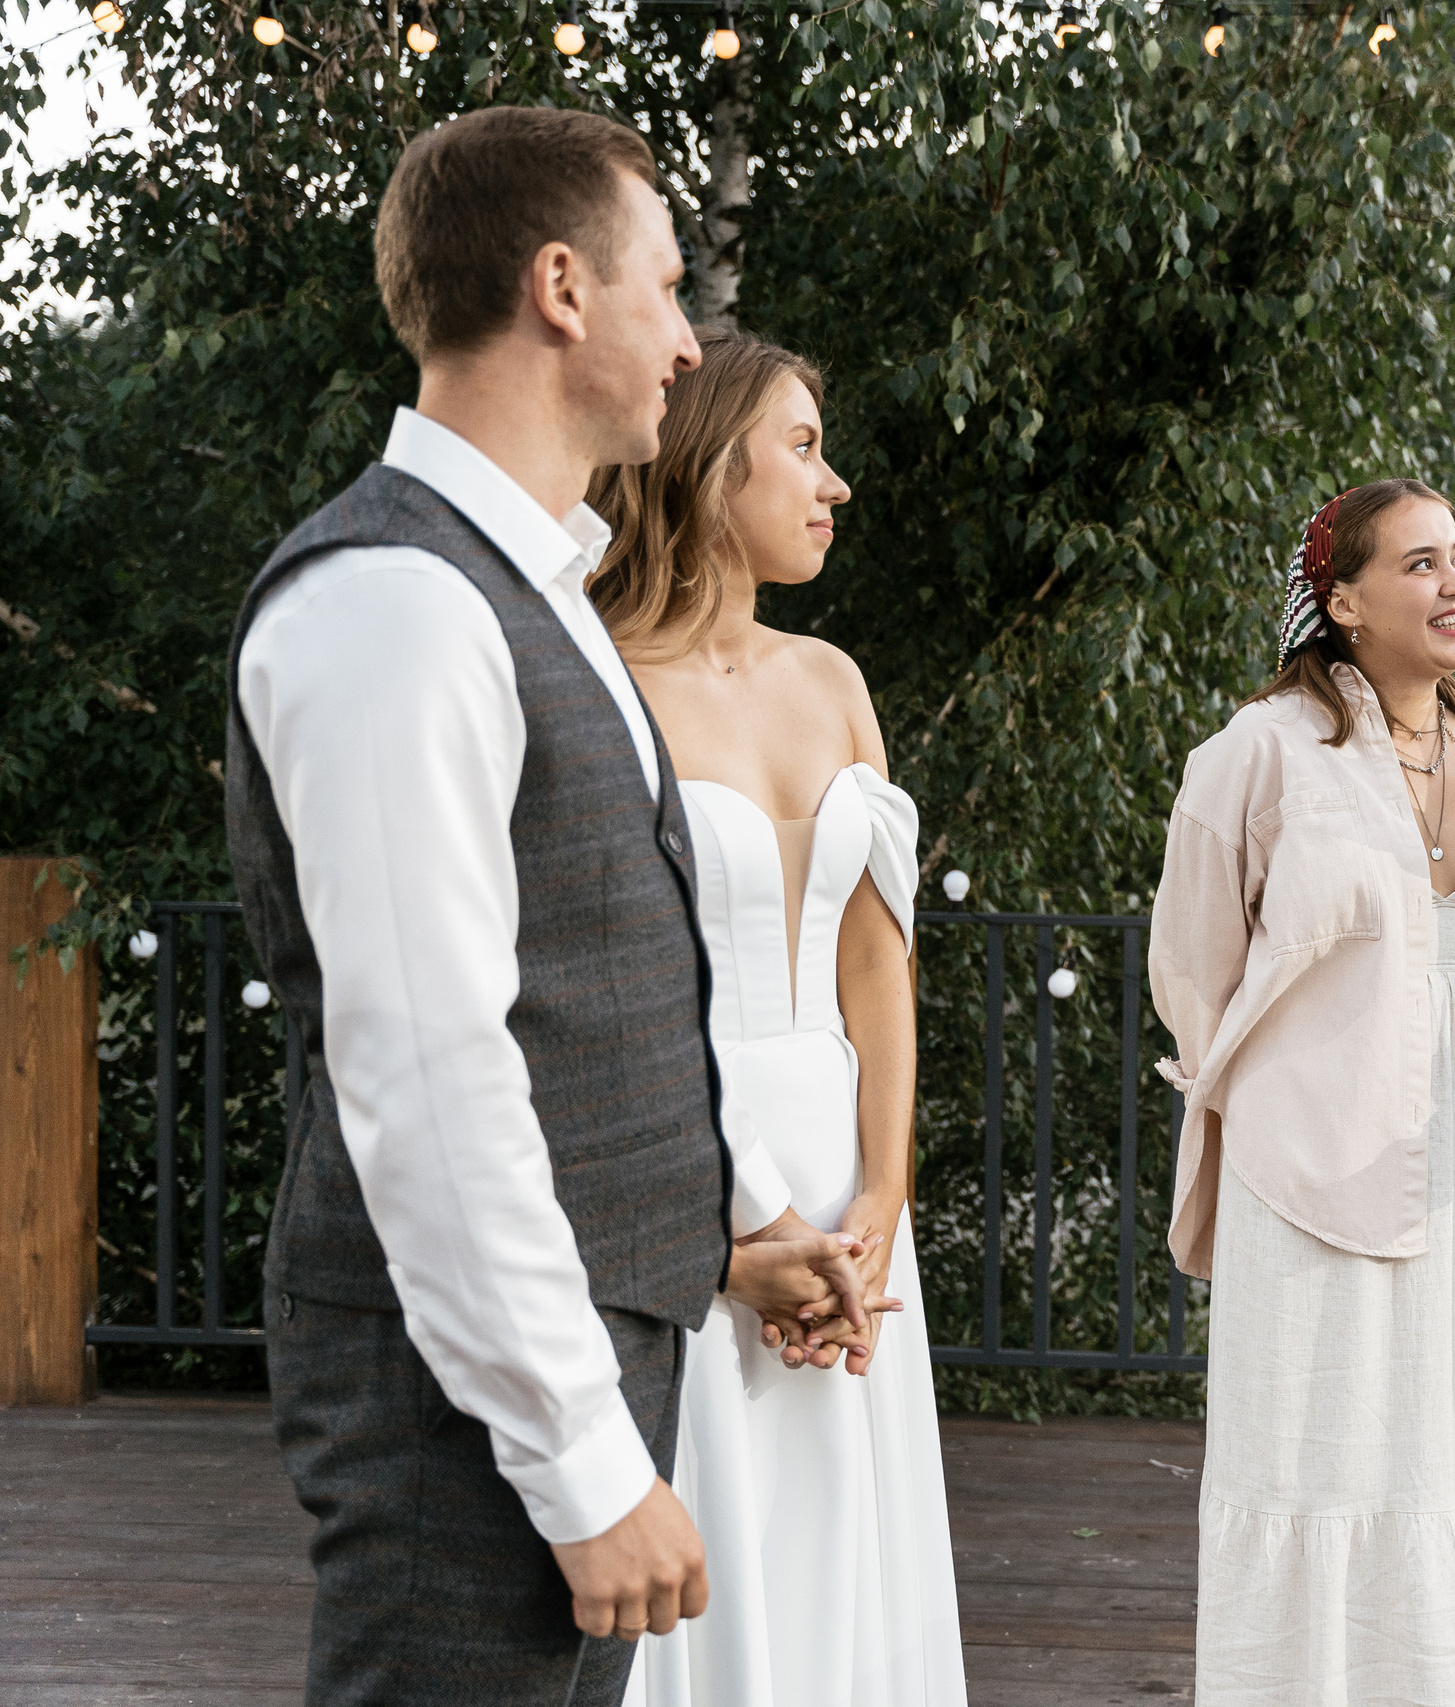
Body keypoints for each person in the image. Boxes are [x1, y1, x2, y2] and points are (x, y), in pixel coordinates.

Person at [227, 108, 868, 1705]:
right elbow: (432, 1074)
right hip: (468, 1416)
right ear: (563, 287)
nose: (684, 340)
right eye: (668, 290)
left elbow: (579, 978)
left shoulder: (528, 586)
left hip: (593, 1341)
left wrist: (733, 1216)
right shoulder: (396, 602)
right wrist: (585, 1464)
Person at [590, 330, 969, 1706]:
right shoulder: (597, 683)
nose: (838, 483)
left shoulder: (834, 679)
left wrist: (880, 1200)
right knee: (709, 1529)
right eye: (804, 446)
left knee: (845, 1553)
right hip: (685, 1164)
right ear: (704, 465)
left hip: (846, 1180)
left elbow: (879, 968)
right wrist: (731, 1231)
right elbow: (595, 990)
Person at [1150, 479, 1455, 1706]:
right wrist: (1279, 1098)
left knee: (1446, 1437)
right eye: (1420, 563)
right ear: (1341, 601)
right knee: (1311, 1446)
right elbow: (1192, 965)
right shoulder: (1258, 750)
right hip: (1308, 1148)